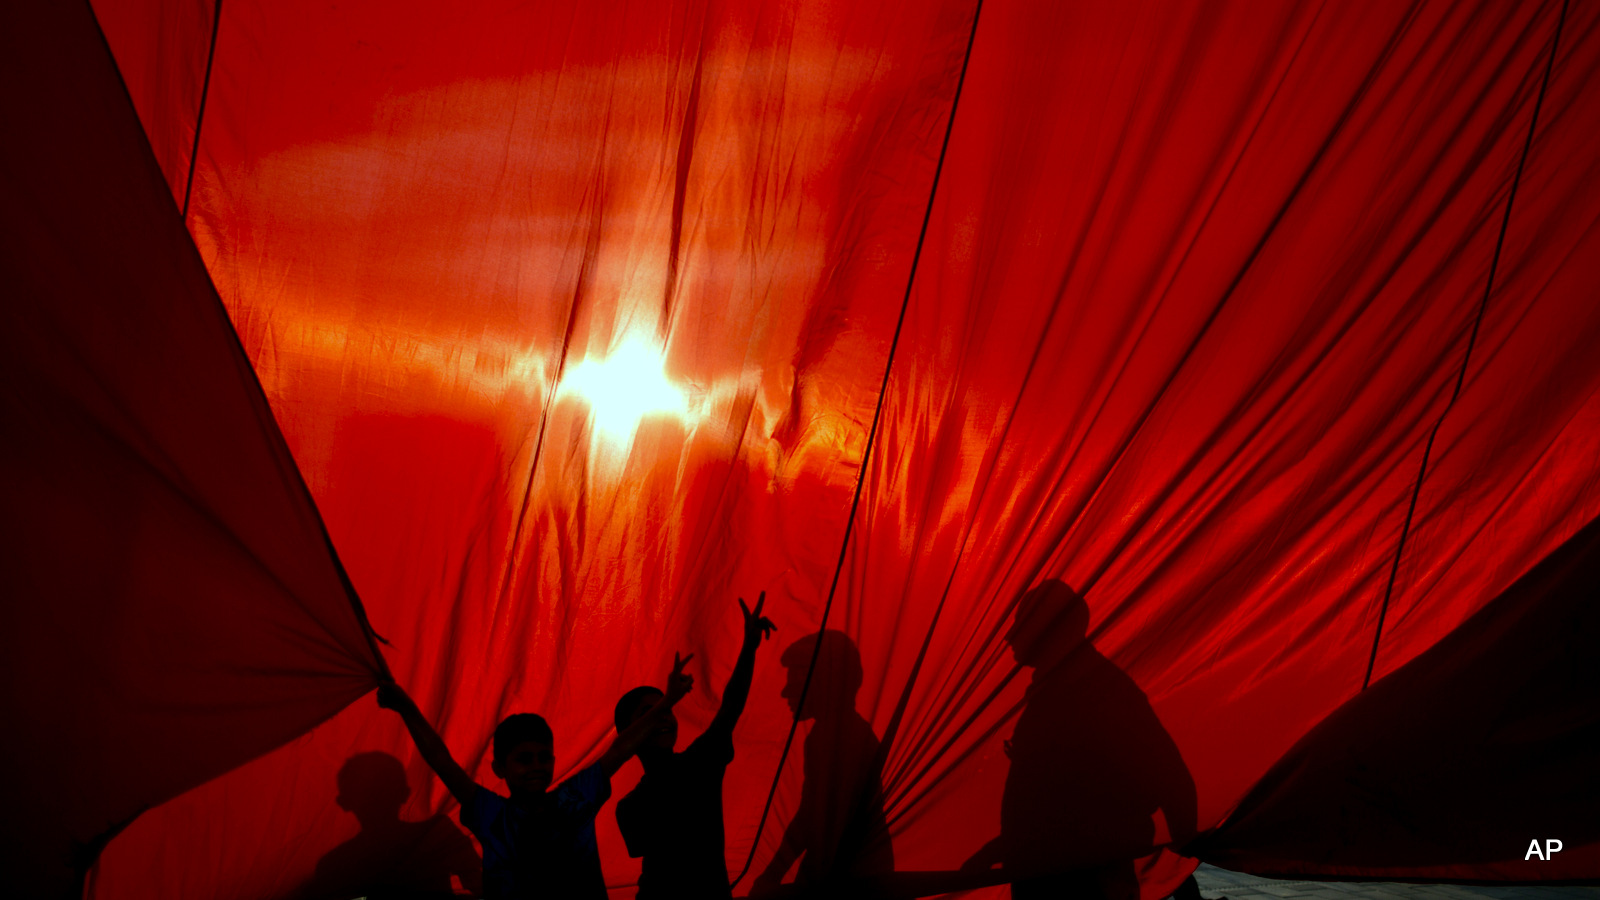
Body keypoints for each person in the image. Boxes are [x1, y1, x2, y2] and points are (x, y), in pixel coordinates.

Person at [377, 653, 694, 900]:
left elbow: (620, 749)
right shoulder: (492, 814)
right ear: (499, 769)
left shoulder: (574, 800)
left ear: (554, 761)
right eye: (524, 760)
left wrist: (667, 703)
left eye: (544, 757)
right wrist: (406, 707)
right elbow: (441, 761)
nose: (536, 766)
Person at [962, 580, 1196, 900]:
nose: (1010, 636)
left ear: (1050, 628)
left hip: (1085, 886)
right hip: (1052, 880)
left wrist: (1183, 876)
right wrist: (998, 851)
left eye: (1023, 623)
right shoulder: (1062, 694)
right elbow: (1057, 810)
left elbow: (1171, 783)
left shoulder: (1101, 695)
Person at [612, 593, 777, 899]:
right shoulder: (629, 807)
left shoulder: (699, 763)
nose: (663, 717)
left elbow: (730, 708)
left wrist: (749, 648)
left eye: (666, 709)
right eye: (648, 713)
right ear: (630, 732)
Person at [751, 630, 894, 896]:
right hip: (849, 871)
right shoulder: (829, 734)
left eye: (796, 678)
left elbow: (813, 818)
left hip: (851, 876)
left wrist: (772, 875)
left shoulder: (839, 736)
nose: (785, 691)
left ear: (823, 681)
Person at [303, 751, 481, 900]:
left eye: (382, 789)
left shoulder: (338, 862)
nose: (376, 800)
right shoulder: (436, 835)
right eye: (369, 792)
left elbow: (482, 883)